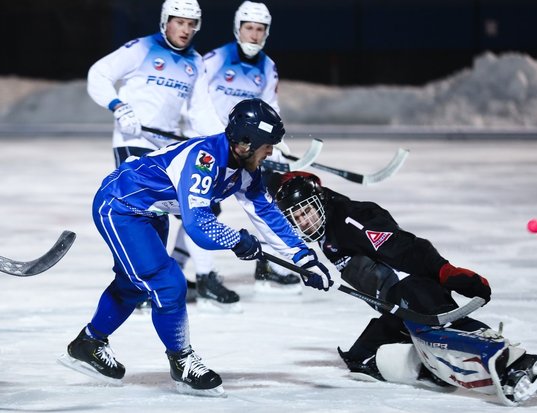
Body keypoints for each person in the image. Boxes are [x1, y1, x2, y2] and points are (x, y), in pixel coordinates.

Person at [57, 99, 333, 397]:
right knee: (167, 284)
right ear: (244, 143)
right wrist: (237, 240)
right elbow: (198, 223)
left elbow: (266, 213)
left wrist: (304, 258)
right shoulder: (205, 160)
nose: (271, 152)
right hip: (122, 206)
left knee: (135, 284)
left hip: (152, 212)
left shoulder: (246, 168)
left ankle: (89, 343)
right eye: (267, 145)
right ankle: (182, 361)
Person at [274, 172, 537, 405]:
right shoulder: (326, 229)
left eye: (307, 211)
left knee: (443, 329)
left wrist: (444, 271)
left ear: (320, 201)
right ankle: (433, 369)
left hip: (411, 287)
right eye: (296, 217)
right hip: (392, 304)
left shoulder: (352, 220)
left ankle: (516, 364)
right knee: (362, 358)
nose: (304, 222)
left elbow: (404, 247)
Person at [86, 0, 230, 310]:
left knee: (202, 206)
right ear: (166, 21)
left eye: (192, 24)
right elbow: (98, 75)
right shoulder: (141, 48)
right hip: (133, 141)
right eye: (180, 22)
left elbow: (201, 111)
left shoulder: (195, 62)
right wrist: (118, 106)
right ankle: (139, 282)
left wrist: (225, 143)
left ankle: (172, 270)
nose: (186, 29)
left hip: (166, 151)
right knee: (141, 215)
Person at [172, 1, 301, 300]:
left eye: (259, 30)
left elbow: (271, 108)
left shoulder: (267, 67)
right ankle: (203, 277)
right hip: (207, 143)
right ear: (237, 28)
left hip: (241, 148)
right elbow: (195, 95)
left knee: (208, 206)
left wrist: (276, 144)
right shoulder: (217, 58)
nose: (254, 35)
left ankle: (177, 269)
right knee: (201, 208)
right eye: (249, 28)